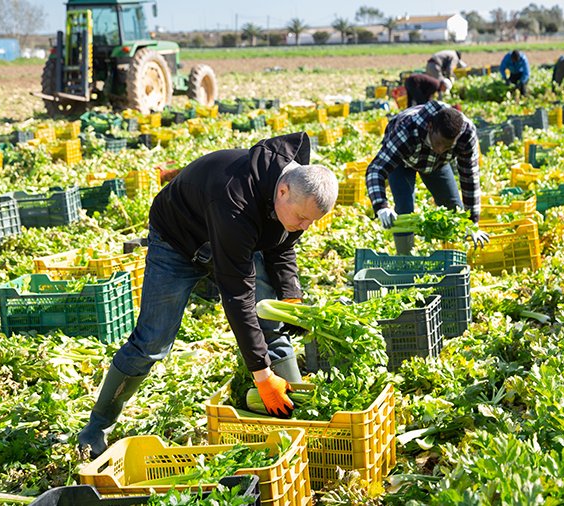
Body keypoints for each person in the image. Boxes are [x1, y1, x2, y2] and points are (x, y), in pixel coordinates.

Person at [77, 132, 338, 458]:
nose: (304, 227)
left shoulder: (293, 195)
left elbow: (281, 248)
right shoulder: (234, 200)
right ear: (282, 191)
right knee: (151, 343)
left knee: (272, 323)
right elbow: (237, 293)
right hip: (178, 242)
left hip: (236, 241)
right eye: (301, 218)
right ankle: (97, 426)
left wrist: (290, 296)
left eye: (311, 221)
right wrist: (261, 374)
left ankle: (297, 421)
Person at [366, 102, 490, 255]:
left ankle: (454, 255)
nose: (440, 149)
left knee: (455, 208)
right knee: (405, 210)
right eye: (438, 143)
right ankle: (405, 259)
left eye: (447, 146)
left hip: (436, 164)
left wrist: (472, 222)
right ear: (430, 127)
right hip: (403, 162)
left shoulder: (466, 135)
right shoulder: (407, 130)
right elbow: (376, 169)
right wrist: (381, 206)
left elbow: (470, 176)